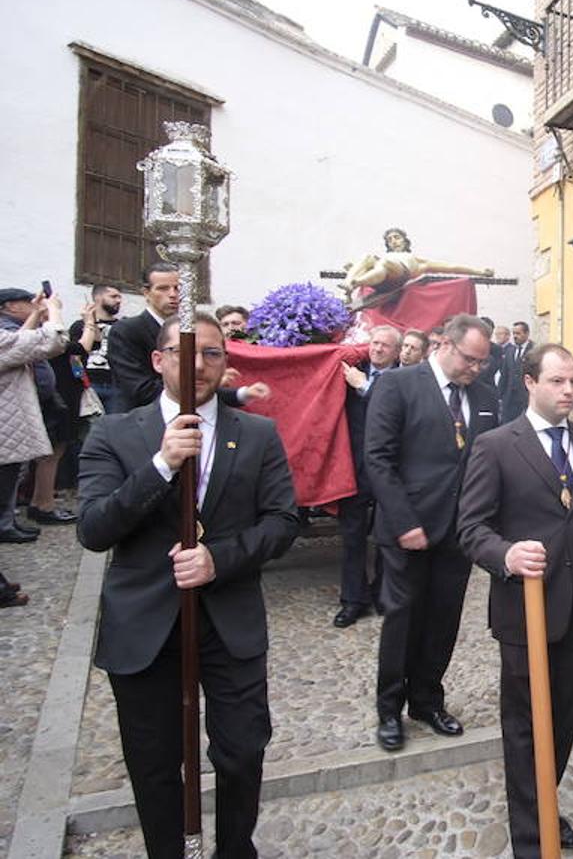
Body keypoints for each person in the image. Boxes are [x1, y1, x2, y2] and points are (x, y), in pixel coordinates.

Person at [77, 312, 299, 859]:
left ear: (226, 365)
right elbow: (94, 529)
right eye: (185, 352)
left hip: (228, 621)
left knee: (243, 751)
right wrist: (159, 465)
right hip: (146, 626)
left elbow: (281, 522)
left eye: (213, 354)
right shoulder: (114, 433)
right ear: (158, 361)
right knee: (155, 763)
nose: (198, 364)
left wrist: (217, 560)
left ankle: (233, 851)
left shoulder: (257, 434)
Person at [458, 343, 573, 856]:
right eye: (556, 381)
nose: (569, 391)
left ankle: (543, 803)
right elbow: (470, 529)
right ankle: (533, 838)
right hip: (524, 611)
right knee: (527, 726)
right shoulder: (496, 446)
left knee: (563, 719)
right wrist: (506, 555)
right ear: (529, 382)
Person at [365, 314, 499, 750]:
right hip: (409, 529)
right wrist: (405, 523)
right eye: (470, 359)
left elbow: (485, 462)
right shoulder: (398, 386)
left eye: (483, 362)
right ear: (444, 344)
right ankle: (390, 709)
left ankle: (427, 699)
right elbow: (378, 461)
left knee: (443, 622)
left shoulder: (484, 396)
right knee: (402, 622)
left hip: (458, 533)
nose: (475, 369)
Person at [108, 263, 266, 410]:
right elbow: (141, 389)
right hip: (138, 422)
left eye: (178, 288)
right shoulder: (126, 331)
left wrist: (241, 393)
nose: (172, 294)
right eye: (163, 288)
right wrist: (206, 385)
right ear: (146, 293)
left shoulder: (193, 330)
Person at [332, 325, 402, 628]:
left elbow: (398, 416)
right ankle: (353, 600)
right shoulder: (348, 372)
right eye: (374, 343)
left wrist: (365, 387)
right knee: (352, 537)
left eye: (386, 345)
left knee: (389, 536)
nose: (378, 349)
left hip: (391, 470)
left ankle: (384, 594)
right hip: (353, 467)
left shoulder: (407, 378)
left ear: (397, 351)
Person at [0, 292, 76, 525]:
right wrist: (53, 309)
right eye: (27, 302)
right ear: (10, 306)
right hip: (7, 414)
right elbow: (52, 341)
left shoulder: (8, 332)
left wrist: (34, 314)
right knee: (7, 474)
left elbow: (20, 340)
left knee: (11, 473)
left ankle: (6, 523)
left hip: (11, 413)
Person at [340, 228, 493, 296]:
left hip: (398, 277)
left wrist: (480, 272)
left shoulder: (416, 260)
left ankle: (356, 281)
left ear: (405, 241)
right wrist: (355, 268)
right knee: (369, 257)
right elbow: (372, 264)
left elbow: (451, 267)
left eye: (397, 237)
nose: (393, 241)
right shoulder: (381, 259)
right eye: (390, 240)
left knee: (383, 263)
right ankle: (349, 284)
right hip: (380, 281)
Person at [70, 284, 121, 414]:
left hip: (116, 385)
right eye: (113, 296)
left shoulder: (123, 326)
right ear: (98, 298)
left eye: (120, 297)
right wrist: (79, 380)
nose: (118, 300)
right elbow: (74, 358)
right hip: (89, 384)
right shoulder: (79, 326)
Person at [499, 321, 534, 422]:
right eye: (513, 333)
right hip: (509, 399)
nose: (515, 336)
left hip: (525, 398)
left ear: (527, 334)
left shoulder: (534, 351)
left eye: (518, 333)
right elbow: (504, 375)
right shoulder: (510, 351)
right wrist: (501, 396)